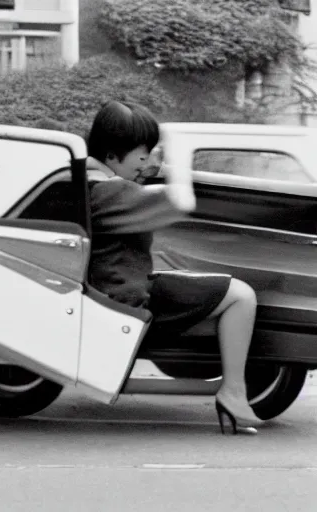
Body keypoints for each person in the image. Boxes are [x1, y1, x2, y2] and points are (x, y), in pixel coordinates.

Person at [86, 100, 262, 434]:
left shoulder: (92, 183)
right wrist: (179, 149)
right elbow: (180, 201)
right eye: (142, 154)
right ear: (112, 156)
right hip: (125, 303)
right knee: (241, 296)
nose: (146, 163)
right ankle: (233, 392)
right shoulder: (111, 192)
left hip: (115, 290)